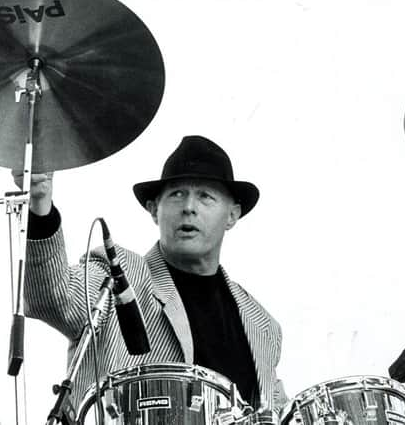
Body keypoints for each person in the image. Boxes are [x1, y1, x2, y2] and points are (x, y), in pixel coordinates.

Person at [20, 135, 287, 414]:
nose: (189, 207)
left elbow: (278, 413)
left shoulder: (263, 326)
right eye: (177, 194)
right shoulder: (119, 274)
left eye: (205, 196)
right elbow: (52, 297)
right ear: (153, 210)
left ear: (232, 215)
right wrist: (40, 204)